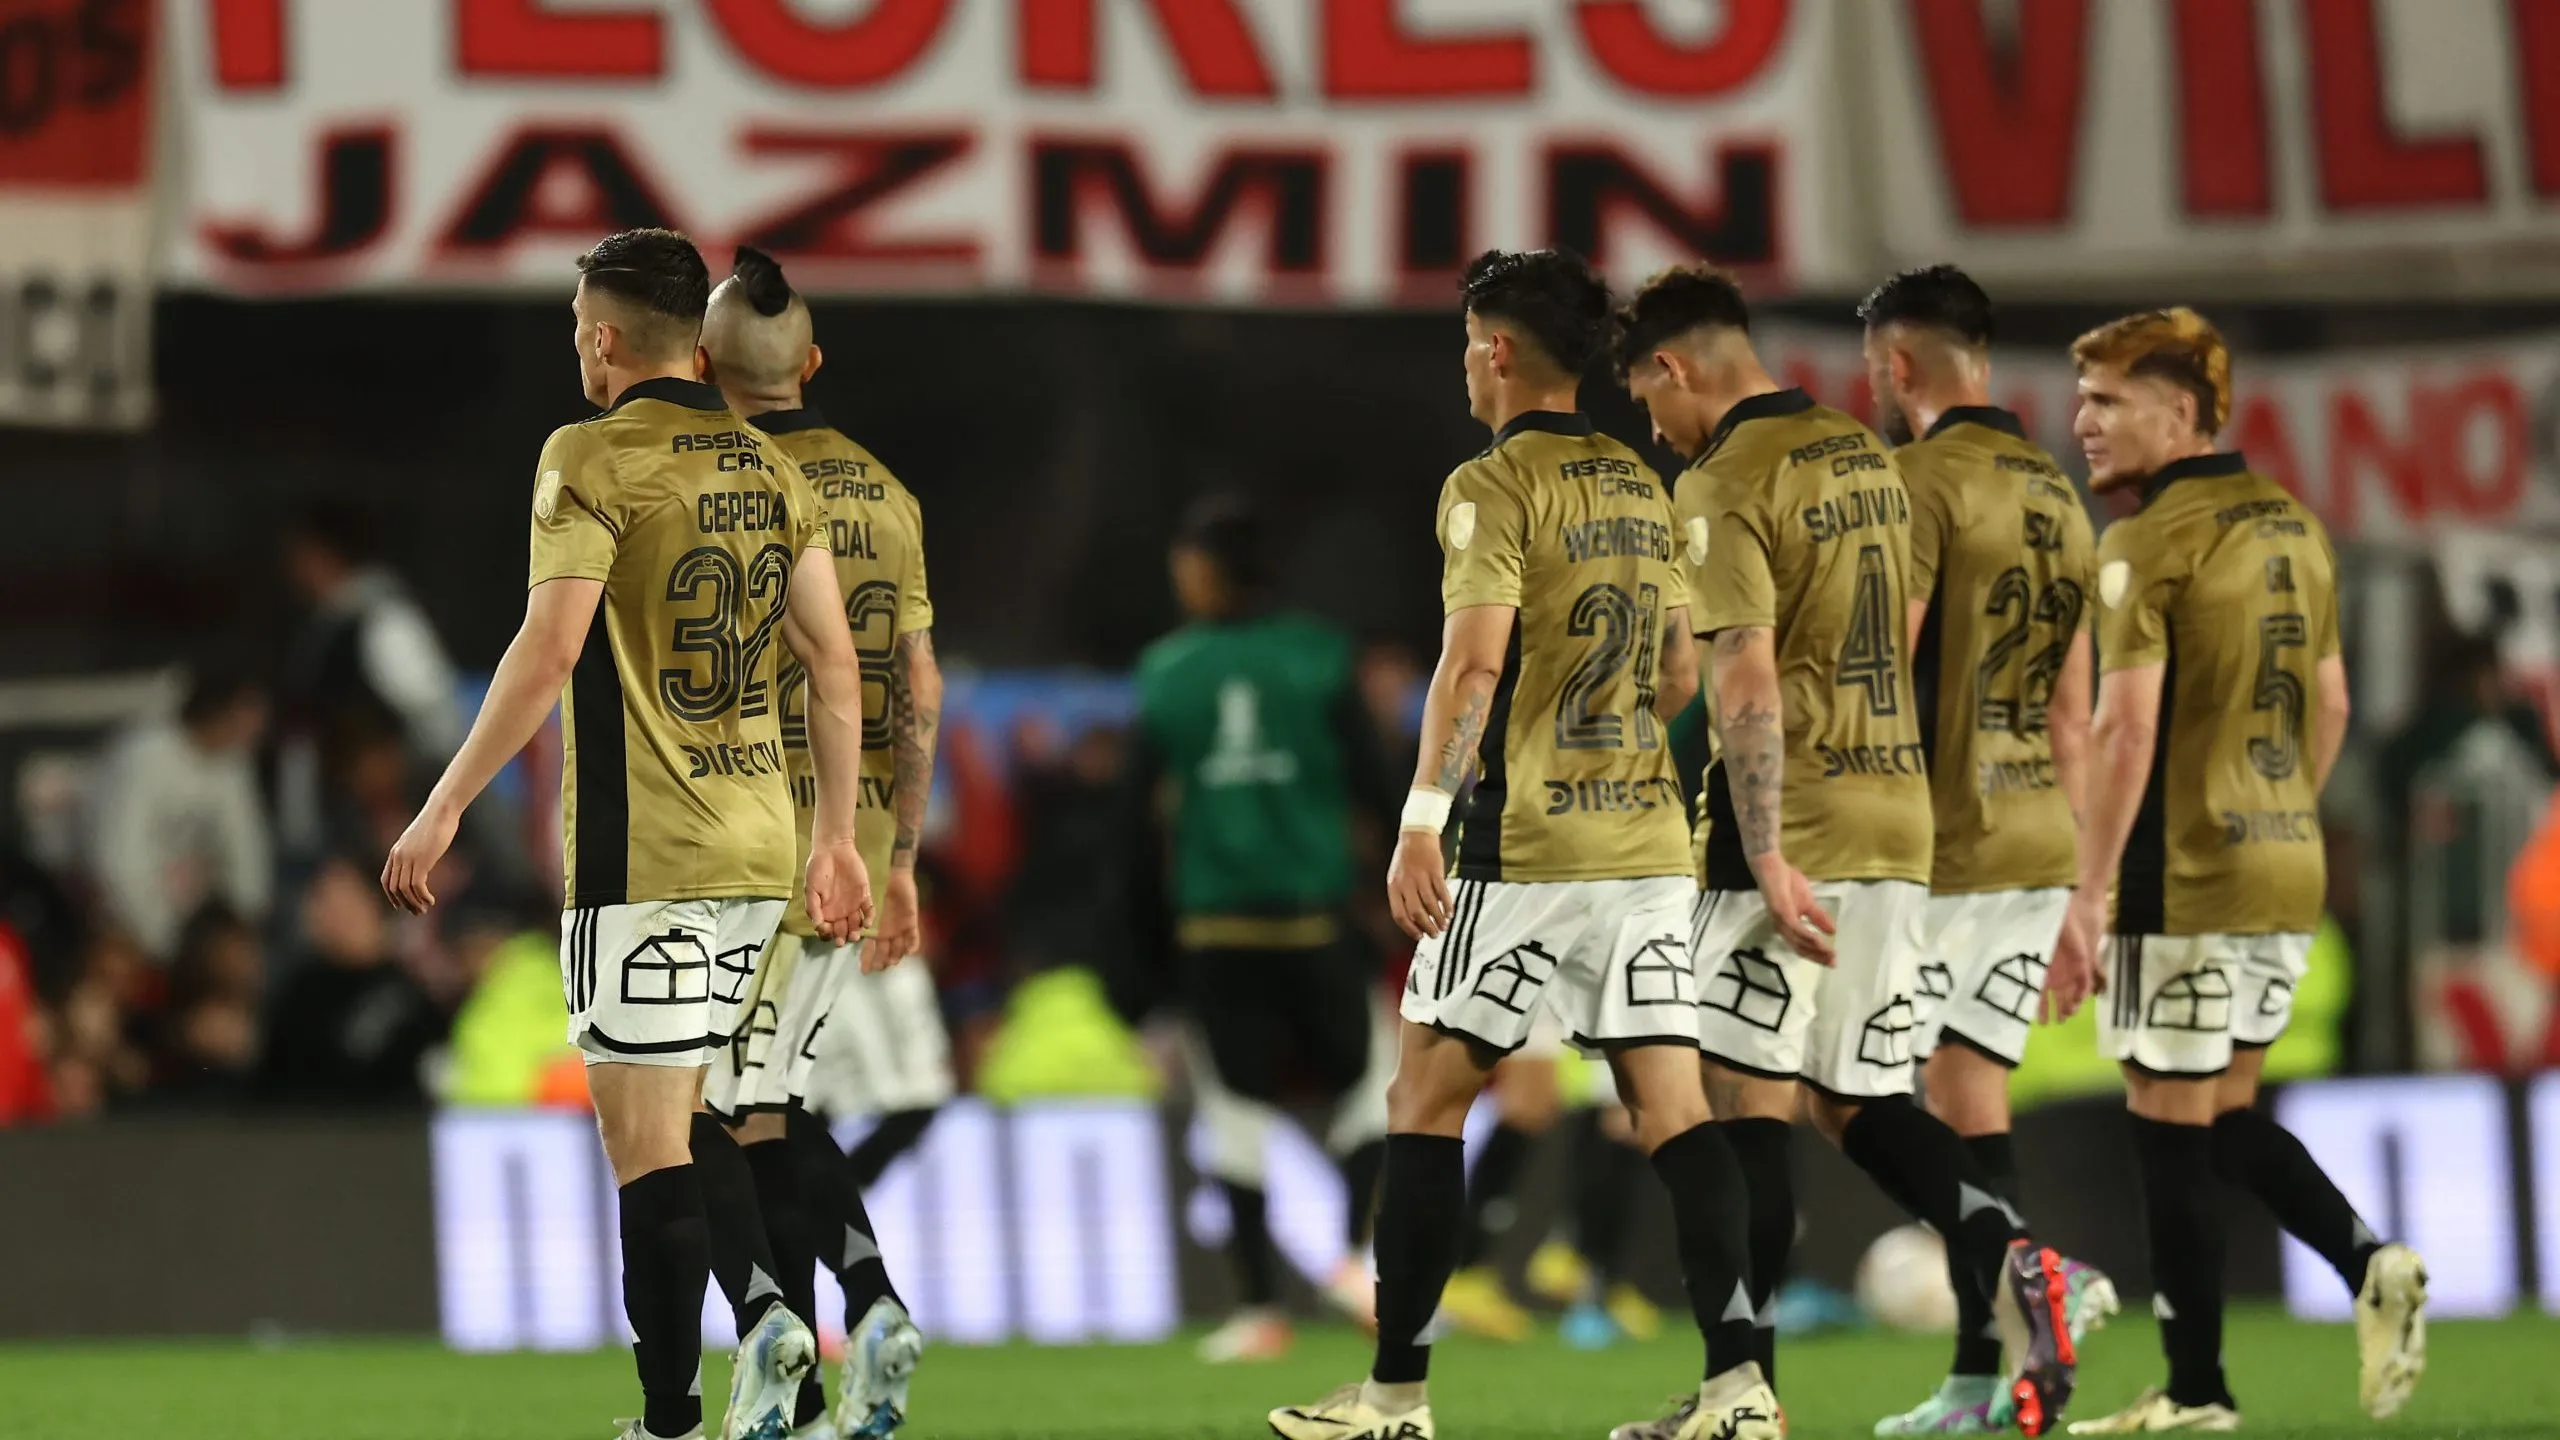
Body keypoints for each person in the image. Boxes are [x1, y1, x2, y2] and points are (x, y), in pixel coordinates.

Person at [378, 227, 875, 1440]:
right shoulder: (772, 467)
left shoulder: (591, 455)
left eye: (574, 328)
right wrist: (840, 840)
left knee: (645, 1142)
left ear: (603, 337)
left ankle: (676, 1413)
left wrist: (443, 804)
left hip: (643, 849)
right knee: (697, 1117)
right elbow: (834, 662)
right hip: (764, 845)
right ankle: (788, 1366)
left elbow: (549, 651)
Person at [1272, 248, 1767, 1440]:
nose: (1462, 364)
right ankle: (1741, 1391)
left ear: (1494, 350)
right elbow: (1677, 675)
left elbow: (1473, 664)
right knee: (1672, 1107)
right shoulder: (1648, 484)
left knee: (1426, 1098)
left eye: (1465, 342)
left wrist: (1420, 820)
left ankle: (1392, 1398)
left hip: (1523, 847)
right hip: (1648, 844)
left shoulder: (1490, 487)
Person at [1612, 264, 2080, 1437]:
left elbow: (1747, 675)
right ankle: (2020, 1257)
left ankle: (1742, 1392)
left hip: (1797, 822)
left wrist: (1762, 850)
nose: (1651, 430)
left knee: (1739, 1105)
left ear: (1672, 369)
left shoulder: (1725, 479)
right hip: (1897, 813)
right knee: (1854, 1096)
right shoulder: (1865, 458)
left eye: (1643, 401)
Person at [2047, 308, 2428, 1434]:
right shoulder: (2298, 529)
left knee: (2164, 1122)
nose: (2084, 422)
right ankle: (2364, 1265)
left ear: (2181, 412)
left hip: (2183, 864)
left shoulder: (2145, 542)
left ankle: (2198, 1389)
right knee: (2220, 1116)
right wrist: (2278, 816)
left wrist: (2087, 888)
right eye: (2084, 399)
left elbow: (2122, 735)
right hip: (2282, 858)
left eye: (2109, 401)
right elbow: (2338, 703)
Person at [1861, 264, 2120, 1435]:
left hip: (1934, 837)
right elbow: (2079, 713)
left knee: (1840, 1086)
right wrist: (2084, 888)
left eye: (1874, 368)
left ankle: (2029, 1269)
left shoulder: (1912, 482)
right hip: (2032, 835)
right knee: (1968, 1100)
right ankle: (1989, 1378)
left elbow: (1884, 672)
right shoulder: (2060, 496)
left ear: (1899, 366)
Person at [698, 244, 936, 1440]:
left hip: (736, 834)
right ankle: (855, 1319)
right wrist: (898, 859)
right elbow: (914, 687)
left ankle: (772, 1326)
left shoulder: (717, 484)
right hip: (858, 844)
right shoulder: (889, 496)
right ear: (814, 363)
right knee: (769, 1107)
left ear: (701, 361)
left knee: (693, 1109)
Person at [1125, 493, 1392, 1361]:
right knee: (1370, 1093)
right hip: (1315, 922)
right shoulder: (1320, 658)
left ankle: (1257, 1311)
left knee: (1234, 1113)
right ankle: (1355, 1258)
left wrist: (1142, 959)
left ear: (1205, 574)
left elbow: (1136, 826)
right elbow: (1378, 786)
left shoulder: (1167, 671)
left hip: (1215, 932)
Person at [87, 668, 272, 965]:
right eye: (249, 712)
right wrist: (166, 943)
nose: (259, 726)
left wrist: (242, 927)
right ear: (218, 712)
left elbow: (247, 858)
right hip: (130, 931)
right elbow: (119, 865)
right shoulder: (144, 756)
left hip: (196, 936)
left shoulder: (233, 766)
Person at [256, 859, 442, 1105]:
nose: (334, 914)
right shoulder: (298, 993)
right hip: (304, 1133)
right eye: (325, 901)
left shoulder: (411, 998)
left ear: (376, 904)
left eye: (346, 901)